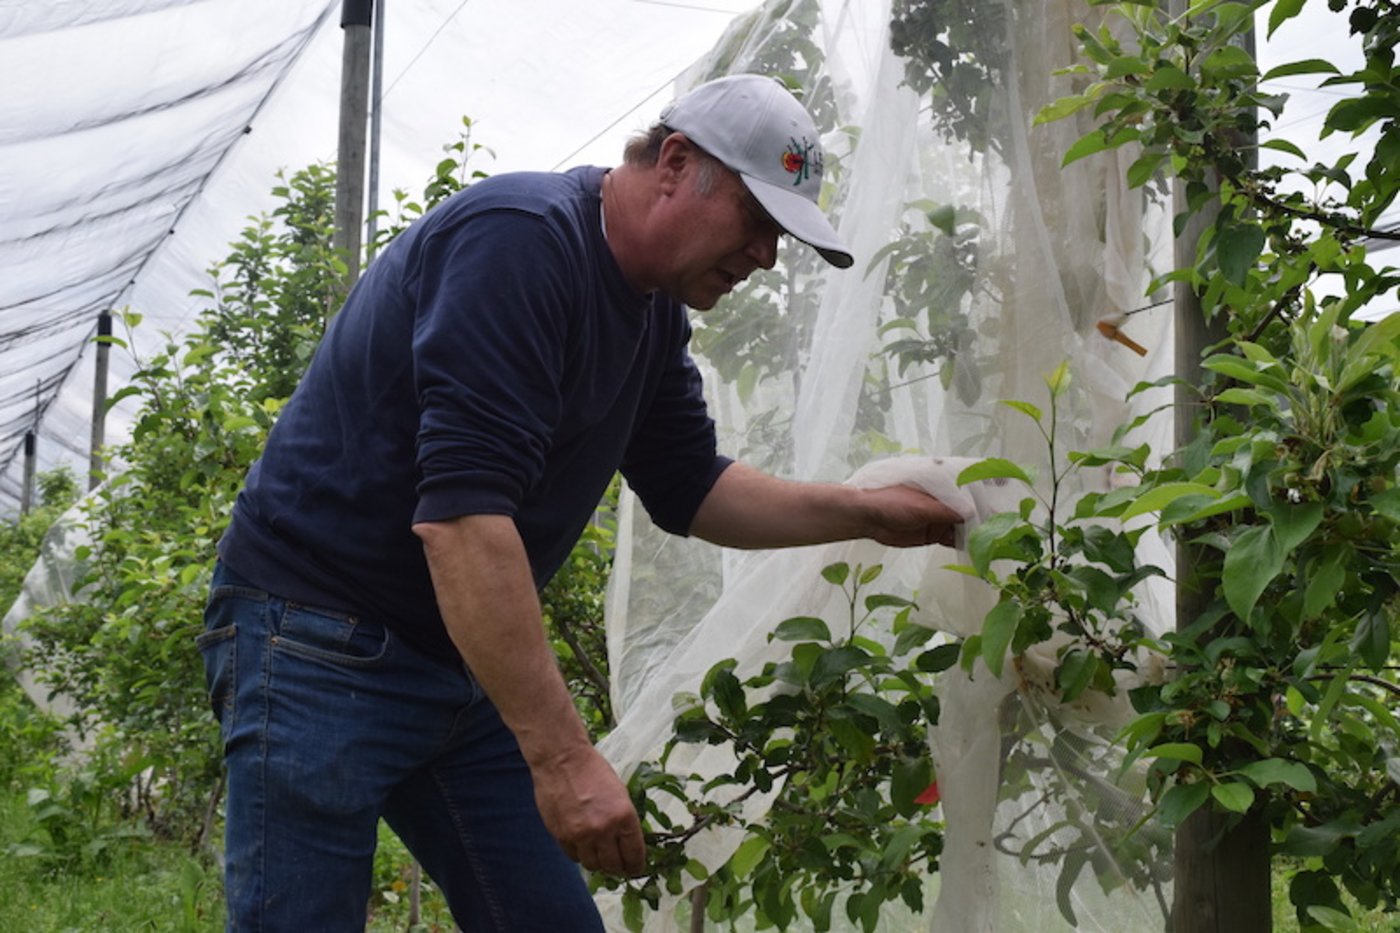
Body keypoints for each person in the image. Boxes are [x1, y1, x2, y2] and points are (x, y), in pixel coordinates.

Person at [199, 73, 962, 930]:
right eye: (757, 223)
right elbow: (460, 521)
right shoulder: (520, 243)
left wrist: (865, 511)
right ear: (675, 162)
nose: (764, 258)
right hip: (313, 636)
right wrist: (562, 757)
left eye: (780, 239)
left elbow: (692, 487)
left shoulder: (649, 314)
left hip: (453, 657)